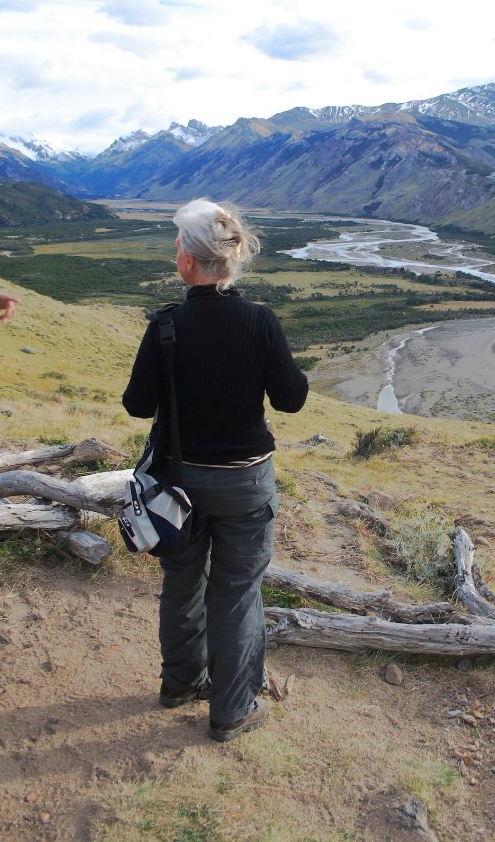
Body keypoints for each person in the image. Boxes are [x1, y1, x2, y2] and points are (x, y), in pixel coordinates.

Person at [122, 199, 308, 742]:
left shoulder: (165, 327)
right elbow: (291, 399)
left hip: (178, 483)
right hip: (245, 482)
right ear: (231, 260)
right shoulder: (260, 321)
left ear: (188, 263)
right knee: (236, 590)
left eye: (178, 246)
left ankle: (180, 683)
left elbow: (137, 404)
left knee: (182, 580)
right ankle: (231, 710)